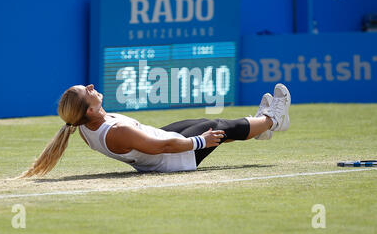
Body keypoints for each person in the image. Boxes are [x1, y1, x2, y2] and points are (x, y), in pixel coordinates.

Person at [18, 83, 291, 178]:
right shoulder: (117, 130)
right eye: (86, 91)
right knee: (217, 128)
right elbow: (161, 146)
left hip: (156, 146)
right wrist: (199, 142)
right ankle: (272, 120)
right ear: (88, 110)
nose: (90, 86)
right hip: (171, 158)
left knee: (201, 121)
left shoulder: (83, 126)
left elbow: (149, 142)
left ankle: (258, 129)